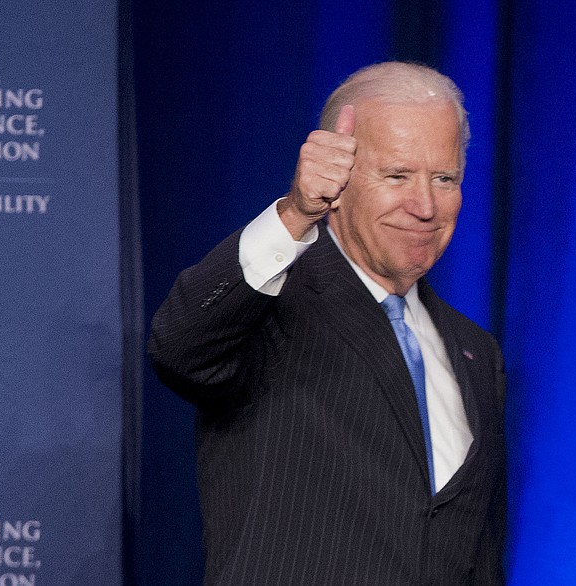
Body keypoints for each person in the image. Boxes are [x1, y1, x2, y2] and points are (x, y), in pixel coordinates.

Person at [148, 61, 506, 585]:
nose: (425, 205)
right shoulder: (272, 308)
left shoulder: (477, 352)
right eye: (397, 176)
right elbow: (180, 345)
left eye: (445, 178)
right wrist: (295, 214)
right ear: (337, 180)